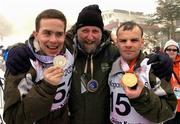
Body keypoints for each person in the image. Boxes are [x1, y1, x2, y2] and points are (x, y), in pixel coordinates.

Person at [5, 5, 173, 124]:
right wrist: (18, 48)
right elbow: (46, 38)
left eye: (95, 31)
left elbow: (131, 53)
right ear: (76, 32)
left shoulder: (113, 53)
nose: (90, 36)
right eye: (85, 30)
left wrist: (158, 58)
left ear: (103, 33)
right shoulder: (69, 50)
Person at [3, 9, 74, 124]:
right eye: (47, 33)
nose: (53, 40)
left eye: (59, 34)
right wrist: (46, 88)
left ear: (65, 35)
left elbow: (84, 27)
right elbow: (12, 118)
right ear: (36, 35)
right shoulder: (23, 63)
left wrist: (109, 34)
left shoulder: (69, 48)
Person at [108, 21, 177, 124]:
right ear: (117, 42)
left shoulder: (153, 68)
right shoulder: (110, 66)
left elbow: (169, 111)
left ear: (142, 42)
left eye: (134, 40)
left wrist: (141, 96)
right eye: (123, 40)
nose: (128, 44)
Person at [163, 39, 180, 124]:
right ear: (165, 51)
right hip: (168, 105)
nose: (171, 51)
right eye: (169, 49)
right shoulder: (159, 64)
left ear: (177, 52)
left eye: (174, 50)